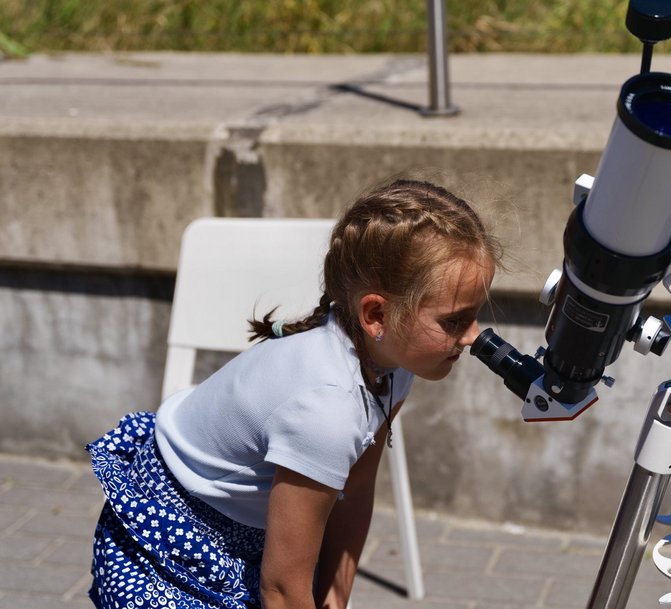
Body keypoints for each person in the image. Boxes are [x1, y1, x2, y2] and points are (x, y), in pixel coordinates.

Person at [86, 178, 502, 609]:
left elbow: (355, 491)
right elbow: (282, 590)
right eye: (455, 320)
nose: (473, 336)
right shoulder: (327, 407)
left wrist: (334, 600)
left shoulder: (391, 362)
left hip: (243, 531)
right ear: (376, 314)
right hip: (163, 541)